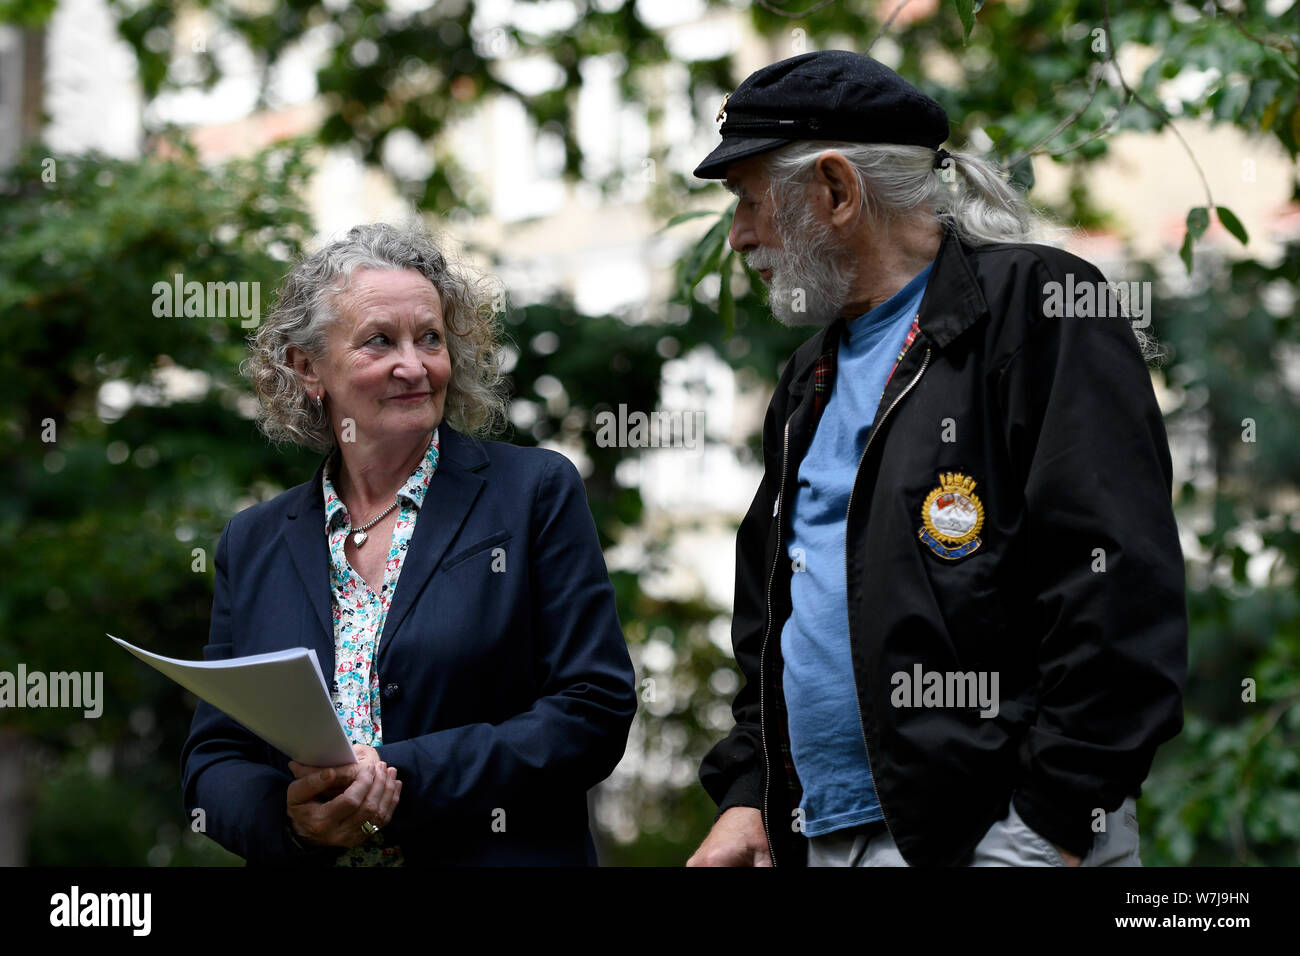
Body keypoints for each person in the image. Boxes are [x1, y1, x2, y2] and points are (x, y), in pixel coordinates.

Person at [685, 51, 1186, 867]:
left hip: (996, 838)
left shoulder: (1037, 309)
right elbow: (774, 620)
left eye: (748, 202)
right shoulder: (811, 371)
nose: (740, 236)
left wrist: (1050, 828)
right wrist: (750, 794)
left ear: (838, 191)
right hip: (823, 831)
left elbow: (1116, 591)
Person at [180, 222, 636, 865]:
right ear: (309, 369)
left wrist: (390, 778)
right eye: (379, 342)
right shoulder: (253, 542)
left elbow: (593, 710)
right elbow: (214, 760)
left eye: (430, 338)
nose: (414, 365)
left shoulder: (531, 492)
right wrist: (295, 820)